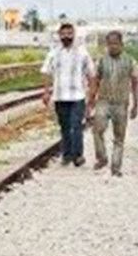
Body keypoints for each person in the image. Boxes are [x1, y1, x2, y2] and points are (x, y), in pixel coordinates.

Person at [40, 23, 96, 166]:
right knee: (64, 126)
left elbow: (91, 74)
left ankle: (78, 155)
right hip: (59, 96)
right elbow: (46, 72)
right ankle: (67, 155)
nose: (66, 37)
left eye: (69, 34)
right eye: (63, 34)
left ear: (74, 35)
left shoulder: (82, 52)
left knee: (76, 125)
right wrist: (46, 92)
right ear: (59, 35)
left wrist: (92, 95)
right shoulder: (53, 52)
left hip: (78, 96)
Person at [88, 31, 138, 177]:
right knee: (97, 131)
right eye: (110, 44)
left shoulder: (130, 61)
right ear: (107, 45)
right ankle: (102, 158)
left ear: (121, 44)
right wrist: (91, 100)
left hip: (121, 103)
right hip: (103, 101)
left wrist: (136, 104)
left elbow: (135, 83)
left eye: (115, 43)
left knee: (119, 138)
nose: (113, 47)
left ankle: (116, 167)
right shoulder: (101, 61)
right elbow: (95, 81)